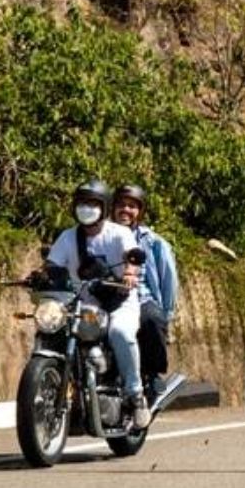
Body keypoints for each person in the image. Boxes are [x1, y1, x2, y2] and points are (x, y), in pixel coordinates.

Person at [44, 180, 149, 431]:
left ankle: (136, 397)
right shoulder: (68, 237)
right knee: (51, 329)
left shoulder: (118, 233)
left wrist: (130, 273)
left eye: (92, 203)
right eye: (82, 203)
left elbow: (131, 256)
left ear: (104, 207)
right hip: (80, 302)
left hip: (118, 300)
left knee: (120, 333)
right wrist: (39, 276)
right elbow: (52, 265)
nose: (87, 208)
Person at [112, 183, 178, 403]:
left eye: (132, 206)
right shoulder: (100, 235)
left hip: (139, 297)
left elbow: (168, 278)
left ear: (140, 212)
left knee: (151, 318)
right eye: (121, 205)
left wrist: (166, 314)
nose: (126, 210)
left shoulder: (152, 241)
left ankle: (151, 374)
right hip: (103, 297)